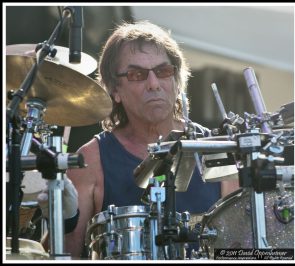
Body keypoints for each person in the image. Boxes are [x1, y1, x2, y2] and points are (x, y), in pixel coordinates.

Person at [42, 21, 239, 259]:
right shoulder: (91, 160)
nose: (154, 84)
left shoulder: (216, 150)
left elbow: (241, 244)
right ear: (115, 90)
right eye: (137, 75)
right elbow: (64, 255)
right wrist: (62, 219)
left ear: (177, 81)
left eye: (164, 71)